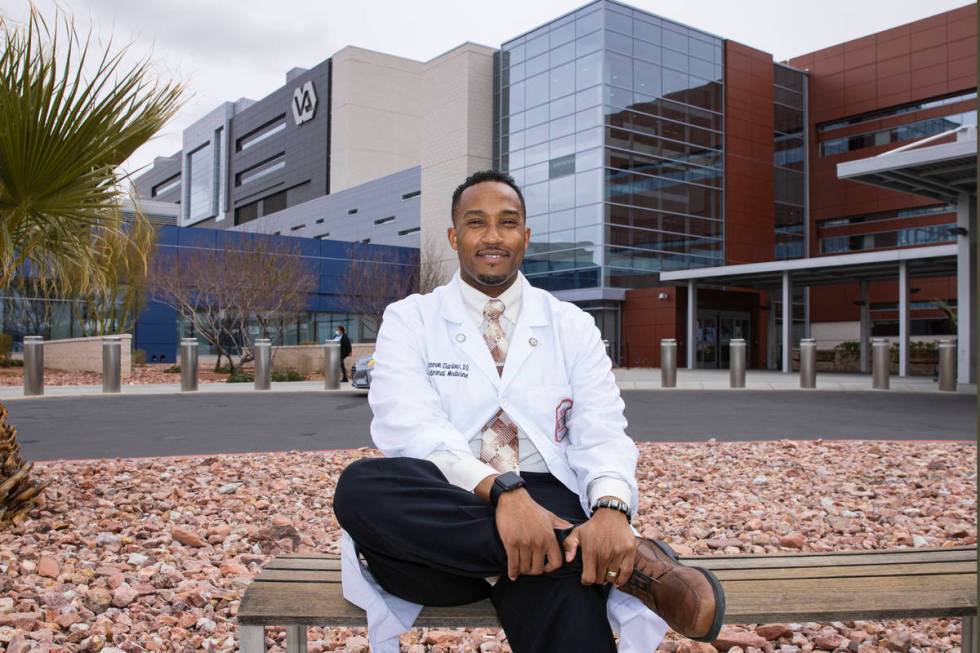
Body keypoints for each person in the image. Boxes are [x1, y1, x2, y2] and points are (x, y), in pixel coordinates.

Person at [333, 170, 725, 653]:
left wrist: (609, 509)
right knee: (362, 486)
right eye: (477, 223)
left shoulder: (571, 325)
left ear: (526, 236)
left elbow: (601, 431)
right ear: (455, 236)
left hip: (547, 500)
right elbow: (410, 426)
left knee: (555, 585)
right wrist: (504, 495)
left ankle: (570, 545)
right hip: (446, 511)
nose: (493, 236)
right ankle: (619, 561)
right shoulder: (410, 318)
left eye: (508, 222)